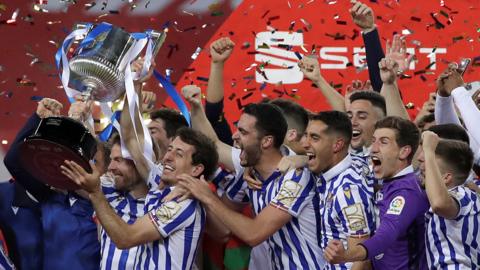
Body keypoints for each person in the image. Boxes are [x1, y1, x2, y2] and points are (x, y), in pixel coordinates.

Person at [179, 89, 324, 269]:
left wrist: (207, 197)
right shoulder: (251, 165)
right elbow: (214, 144)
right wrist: (196, 107)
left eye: (243, 132)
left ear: (266, 141)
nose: (234, 136)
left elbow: (254, 234)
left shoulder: (295, 176)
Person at [62, 127, 219, 270]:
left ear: (197, 169)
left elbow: (125, 238)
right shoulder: (161, 192)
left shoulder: (183, 203)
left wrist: (95, 192)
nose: (167, 157)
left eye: (179, 154)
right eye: (169, 150)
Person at [3, 98, 105, 270]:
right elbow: (13, 161)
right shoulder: (51, 196)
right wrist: (38, 119)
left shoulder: (104, 204)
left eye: (92, 162)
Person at [324, 116, 428, 270]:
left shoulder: (406, 192)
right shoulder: (386, 180)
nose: (374, 148)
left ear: (404, 152)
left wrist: (347, 255)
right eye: (373, 140)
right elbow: (337, 160)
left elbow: (385, 237)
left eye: (384, 142)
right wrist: (301, 160)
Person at [303, 111, 375, 269]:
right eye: (306, 136)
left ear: (337, 144)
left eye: (314, 138)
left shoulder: (346, 190)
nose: (305, 144)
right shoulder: (351, 164)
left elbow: (362, 259)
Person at [419, 131, 479, 268]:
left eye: (430, 166)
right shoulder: (470, 197)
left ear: (446, 178)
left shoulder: (463, 195)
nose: (422, 167)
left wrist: (429, 151)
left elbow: (439, 204)